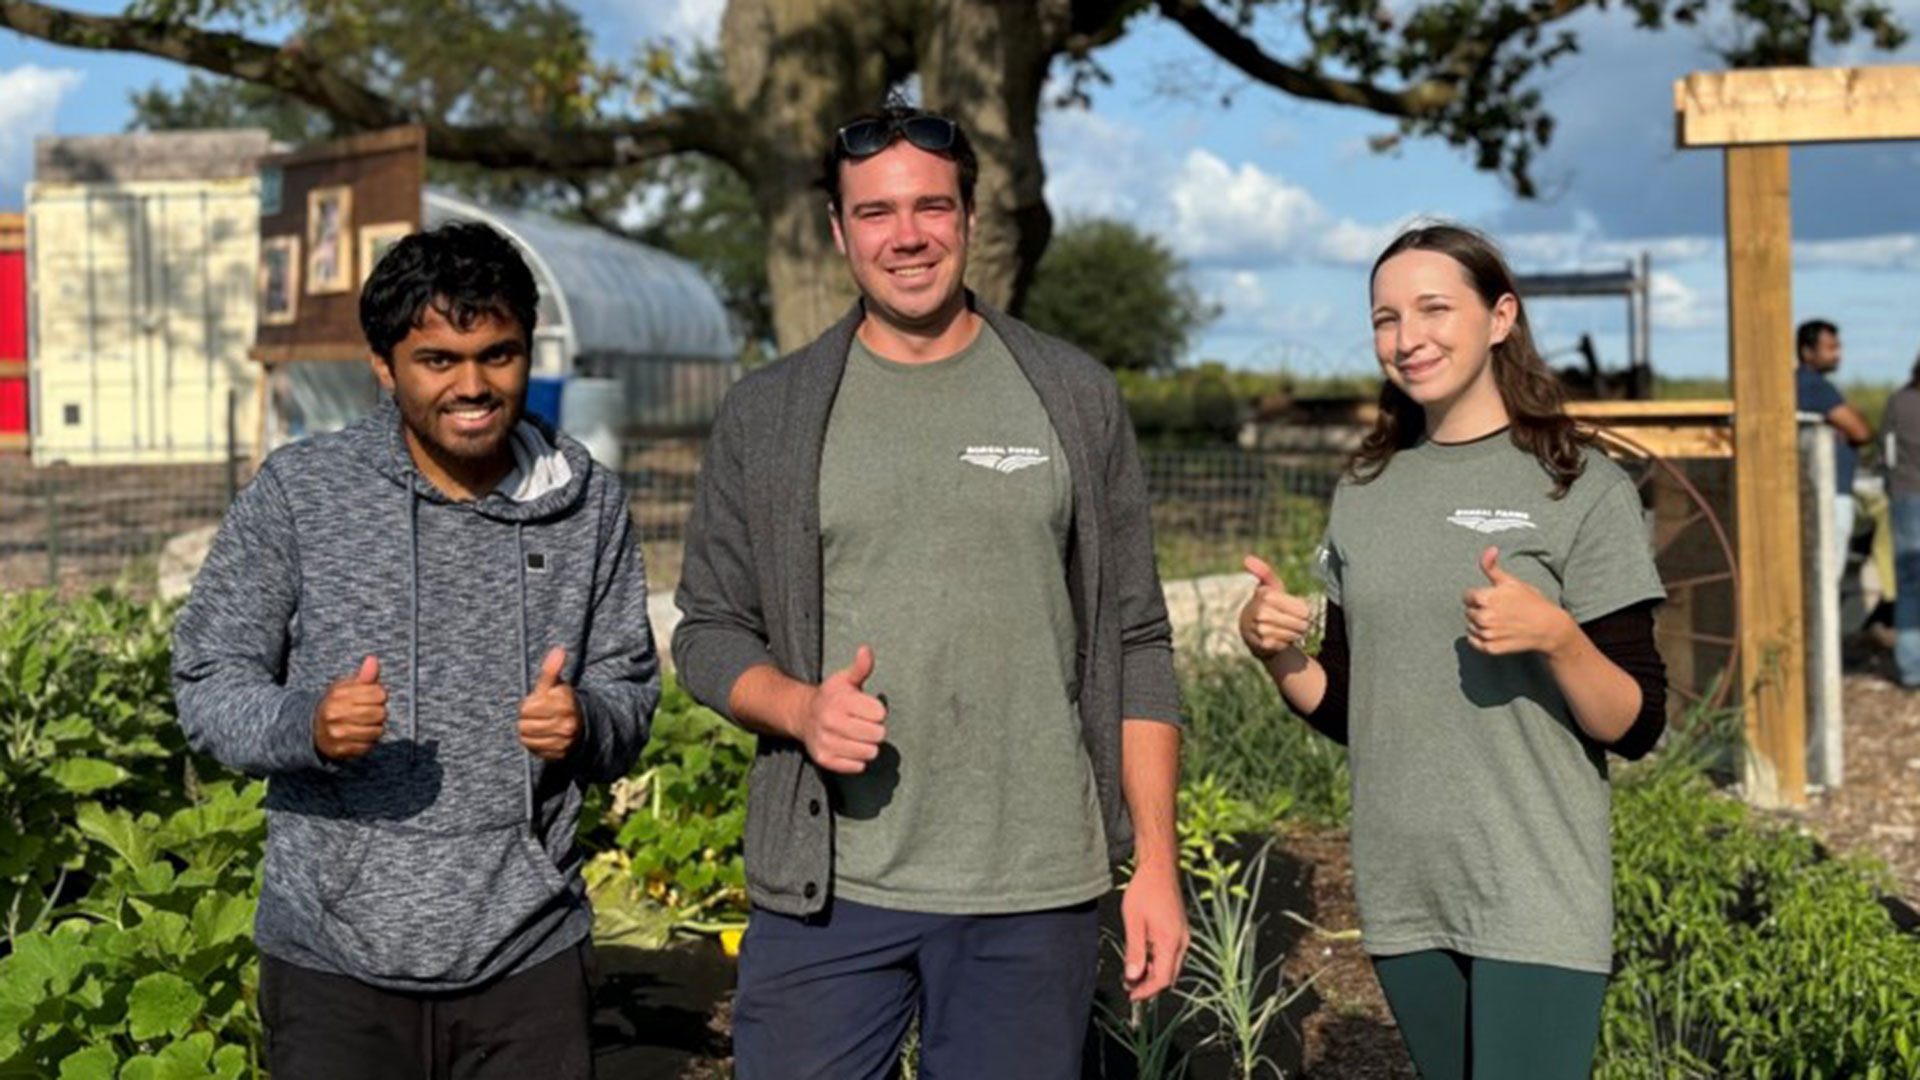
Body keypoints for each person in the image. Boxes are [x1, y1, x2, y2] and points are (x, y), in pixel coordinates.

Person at [671, 104, 1187, 1079]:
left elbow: (1138, 640)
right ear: (837, 229)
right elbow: (707, 629)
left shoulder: (1073, 397)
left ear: (970, 218)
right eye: (874, 213)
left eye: (929, 208)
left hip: (1034, 890)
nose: (905, 236)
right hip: (830, 887)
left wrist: (1154, 863)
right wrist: (797, 707)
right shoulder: (770, 413)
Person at [172, 221, 659, 1080]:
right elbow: (208, 679)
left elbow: (629, 684)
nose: (473, 386)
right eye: (439, 360)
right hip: (331, 961)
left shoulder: (587, 506)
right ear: (384, 366)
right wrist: (306, 725)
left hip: (528, 951)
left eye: (498, 355)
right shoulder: (303, 493)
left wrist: (586, 722)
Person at [1237, 223, 1667, 1079]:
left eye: (1435, 308)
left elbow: (1639, 721)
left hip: (1532, 884)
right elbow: (1359, 704)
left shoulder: (1581, 484)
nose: (1409, 337)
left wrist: (1557, 636)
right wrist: (1278, 652)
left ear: (1500, 317)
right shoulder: (1366, 489)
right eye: (1386, 318)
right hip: (1405, 887)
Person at [1796, 318, 1872, 567]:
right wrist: (1846, 420)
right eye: (1830, 348)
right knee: (1829, 569)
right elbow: (1861, 431)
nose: (1837, 355)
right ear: (1808, 352)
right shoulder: (1816, 387)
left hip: (1813, 490)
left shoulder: (1798, 384)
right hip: (1832, 493)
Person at [1880, 352, 1920, 688]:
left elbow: (1888, 454)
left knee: (1909, 584)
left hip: (1907, 495)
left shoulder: (1898, 401)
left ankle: (1911, 668)